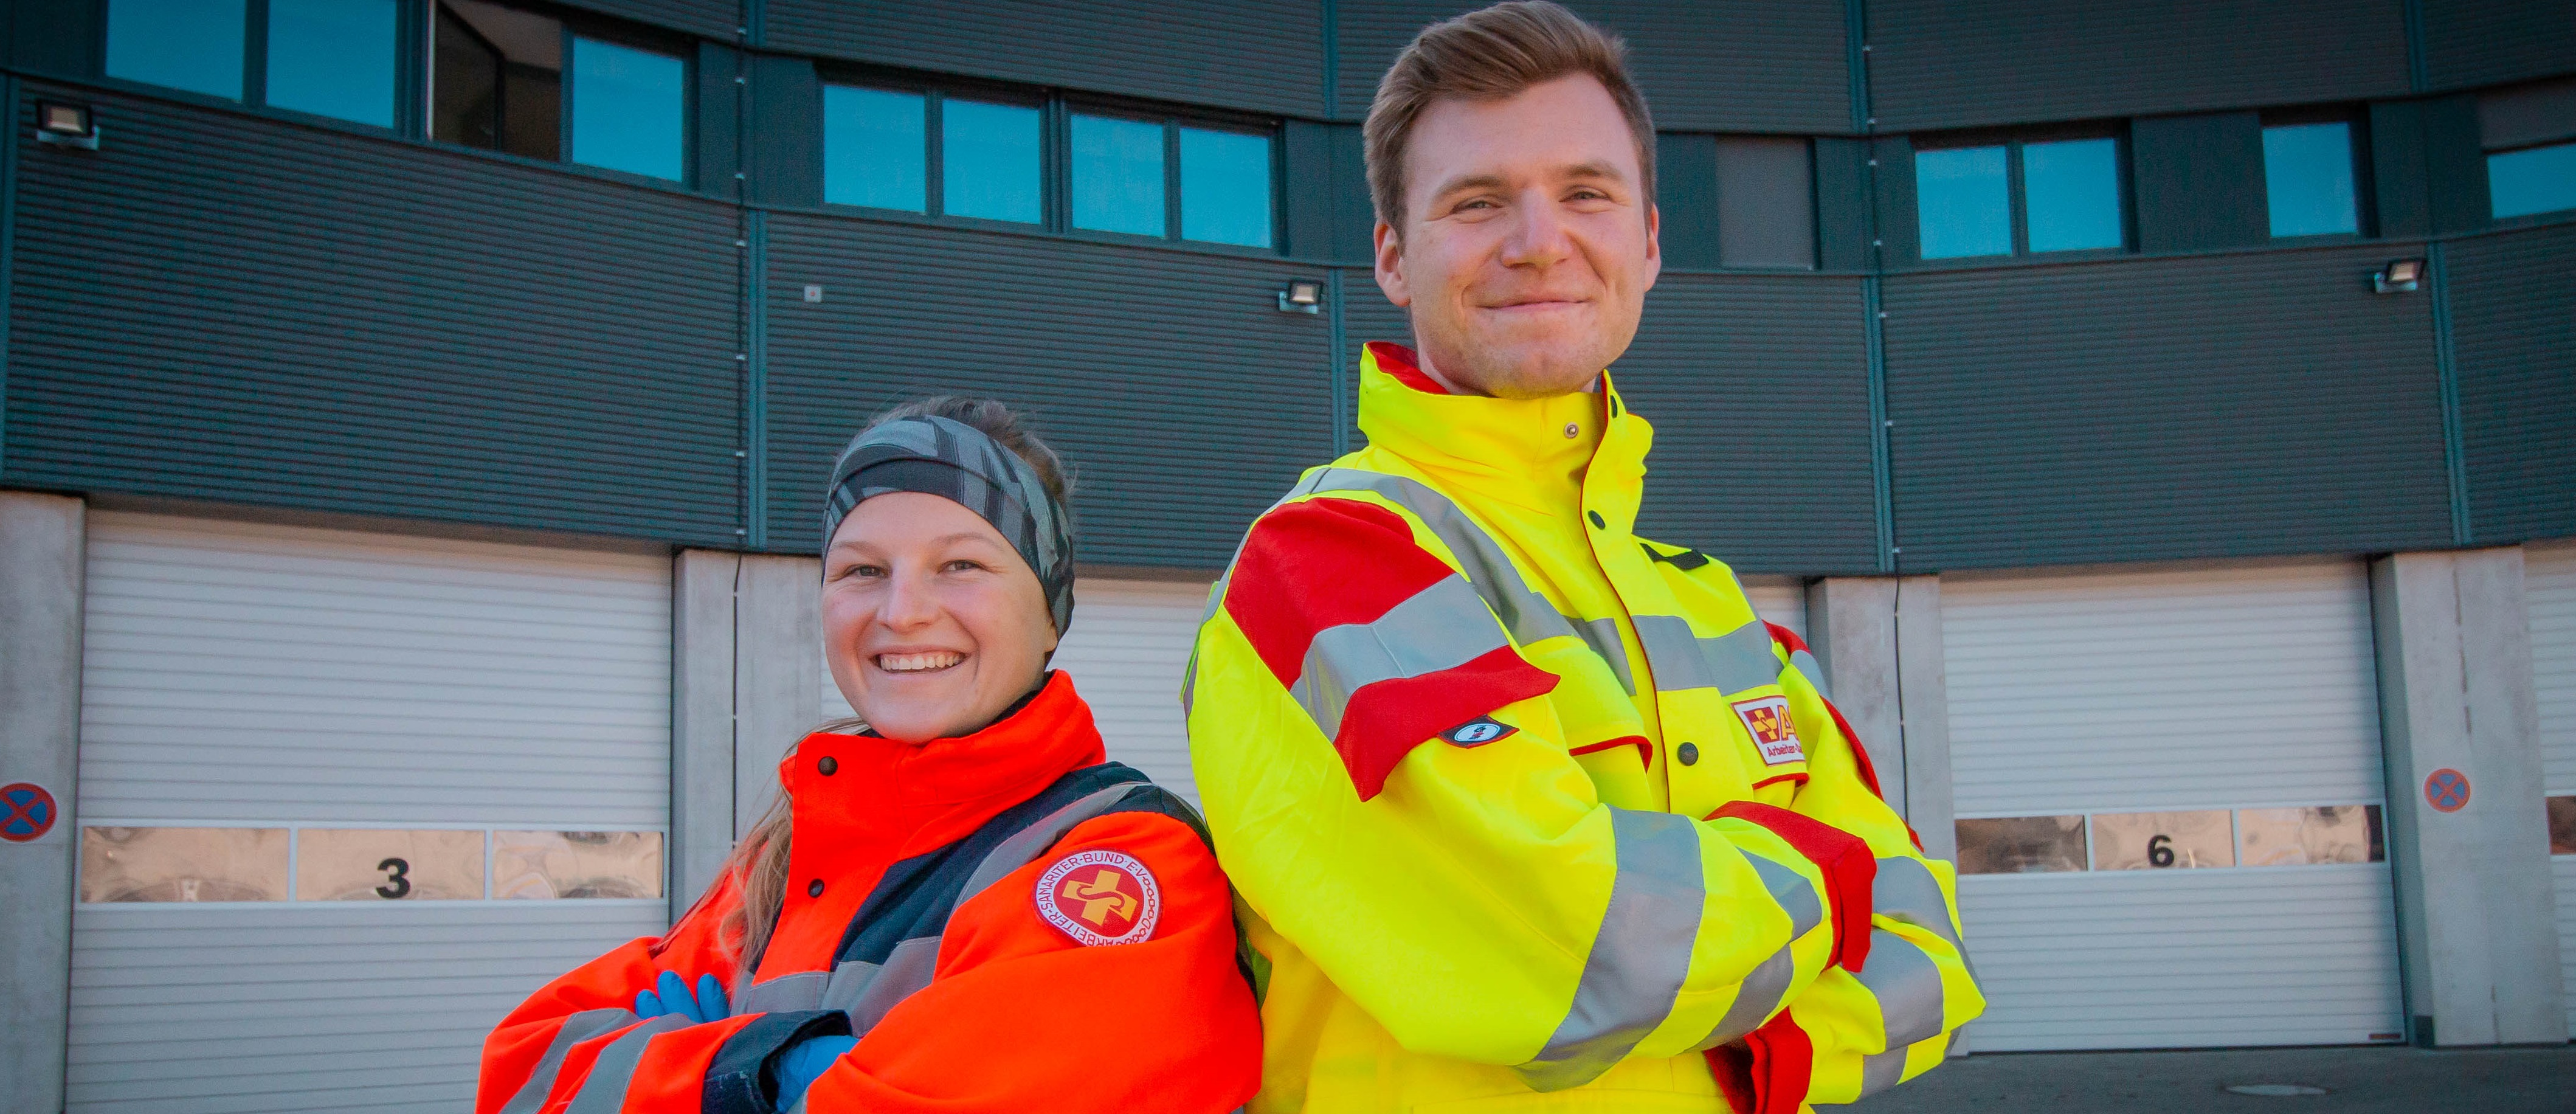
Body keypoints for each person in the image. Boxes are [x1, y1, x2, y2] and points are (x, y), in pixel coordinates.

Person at [1183, 4, 1983, 1112]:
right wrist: (1827, 873)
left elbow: (1933, 962)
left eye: (1585, 193)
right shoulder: (1328, 564)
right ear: (1393, 258)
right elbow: (1572, 956)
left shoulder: (1711, 604)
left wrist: (1740, 1022)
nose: (1536, 240)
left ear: (1648, 243)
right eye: (1475, 203)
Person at [479, 398, 1260, 1114]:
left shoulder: (1121, 857)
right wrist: (780, 1069)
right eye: (862, 569)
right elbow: (520, 1063)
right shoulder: (781, 860)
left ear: (1051, 613)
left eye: (961, 565)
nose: (902, 612)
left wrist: (709, 1058)